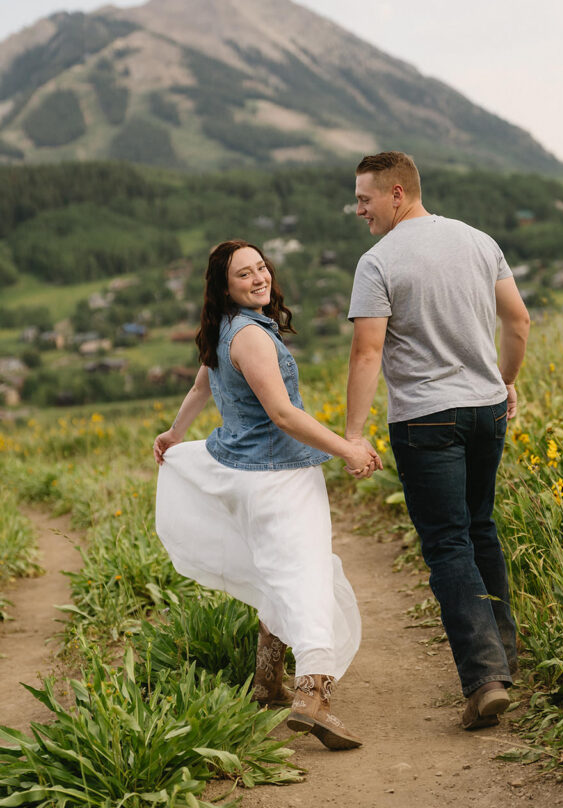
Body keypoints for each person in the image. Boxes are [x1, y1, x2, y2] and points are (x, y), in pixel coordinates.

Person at [154, 239, 380, 751]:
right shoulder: (252, 338)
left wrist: (173, 434)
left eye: (261, 268)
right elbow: (282, 414)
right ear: (225, 287)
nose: (258, 278)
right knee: (307, 577)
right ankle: (312, 697)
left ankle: (266, 682)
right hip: (279, 478)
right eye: (244, 275)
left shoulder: (223, 330)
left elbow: (201, 388)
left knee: (276, 570)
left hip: (246, 475)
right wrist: (346, 448)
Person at [345, 152, 530, 731]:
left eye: (364, 199)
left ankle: (485, 680)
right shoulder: (479, 241)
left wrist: (352, 432)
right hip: (485, 409)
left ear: (396, 193)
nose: (359, 210)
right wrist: (505, 381)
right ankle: (505, 660)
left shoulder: (377, 262)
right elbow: (518, 321)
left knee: (449, 544)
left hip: (426, 419)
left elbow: (367, 351)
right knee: (481, 529)